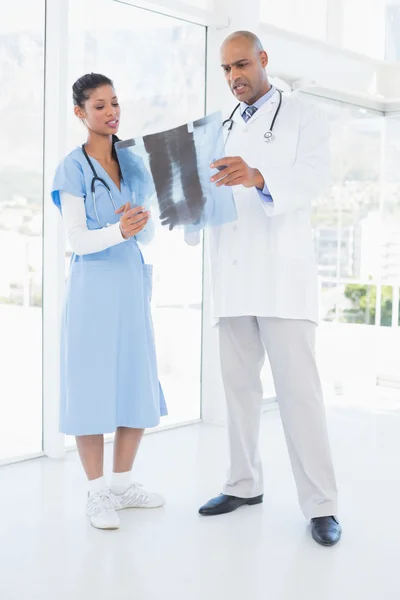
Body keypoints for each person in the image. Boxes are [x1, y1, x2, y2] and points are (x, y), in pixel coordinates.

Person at [197, 31, 342, 546]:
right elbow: (208, 193)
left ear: (263, 60)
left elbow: (314, 177)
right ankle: (243, 484)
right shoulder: (220, 127)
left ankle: (321, 504)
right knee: (238, 390)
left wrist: (259, 176)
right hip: (234, 272)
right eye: (225, 69)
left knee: (299, 394)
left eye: (241, 64)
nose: (234, 76)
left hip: (283, 276)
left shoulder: (304, 114)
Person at [51, 73, 167, 530]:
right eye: (99, 106)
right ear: (80, 114)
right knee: (92, 388)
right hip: (93, 291)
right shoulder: (72, 168)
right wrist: (119, 230)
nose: (111, 112)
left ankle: (122, 486)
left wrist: (138, 220)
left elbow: (151, 232)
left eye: (115, 103)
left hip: (130, 285)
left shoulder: (134, 163)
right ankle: (97, 494)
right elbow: (78, 240)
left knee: (134, 383)